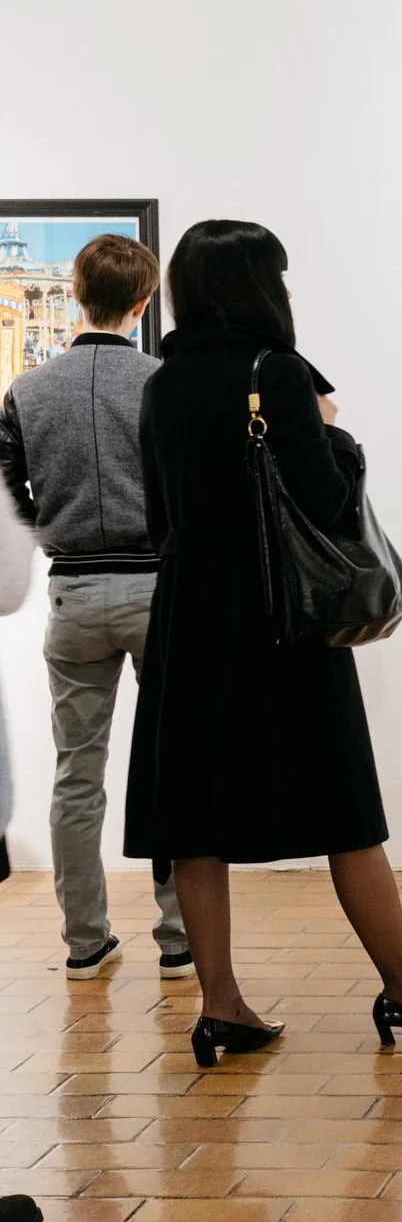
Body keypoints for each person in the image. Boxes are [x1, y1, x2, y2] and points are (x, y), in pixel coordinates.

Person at [125, 219, 402, 1068]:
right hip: (279, 622)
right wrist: (332, 429)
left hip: (189, 617)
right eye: (280, 279)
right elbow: (327, 504)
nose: (289, 294)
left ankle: (223, 1005)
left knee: (196, 818)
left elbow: (159, 519)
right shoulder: (280, 375)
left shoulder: (162, 382)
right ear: (257, 287)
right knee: (346, 812)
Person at [0, 234, 190, 980]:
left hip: (73, 591)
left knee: (78, 771)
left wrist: (46, 525)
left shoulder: (26, 391)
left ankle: (85, 938)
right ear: (142, 304)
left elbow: (6, 487)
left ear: (77, 294)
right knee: (171, 764)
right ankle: (177, 933)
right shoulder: (159, 383)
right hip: (154, 589)